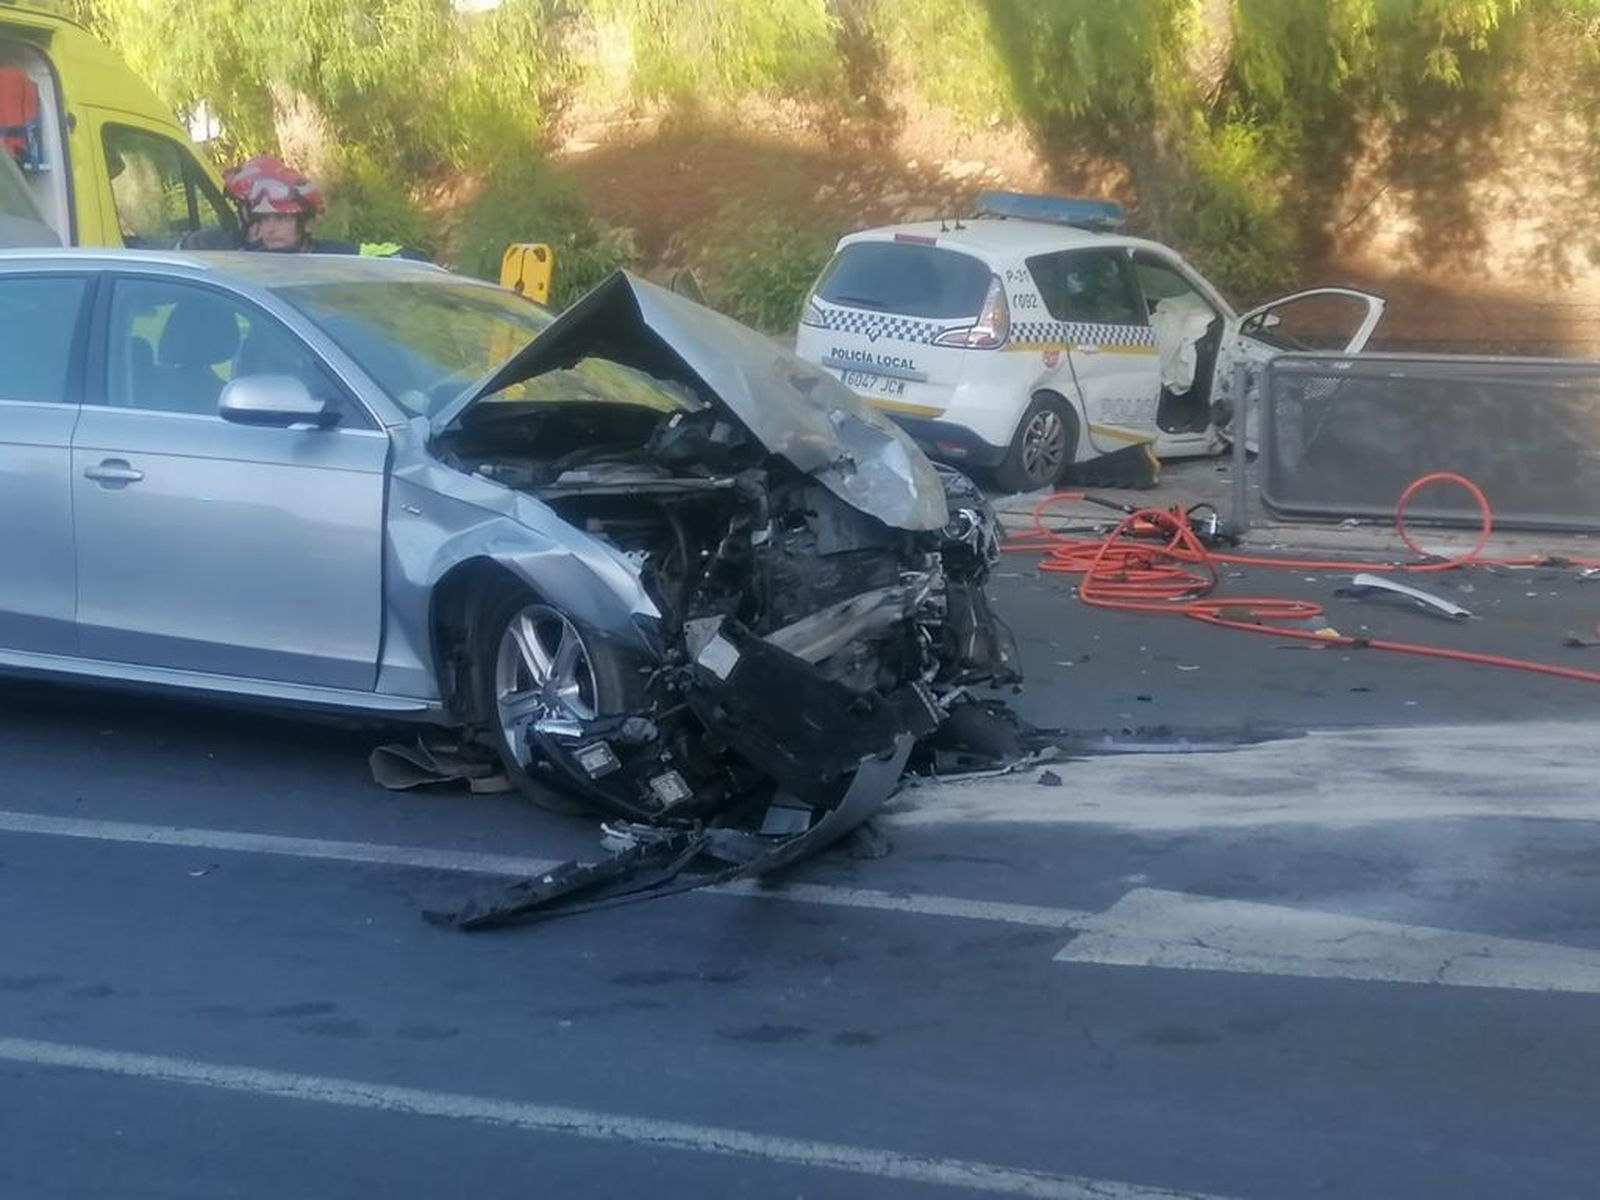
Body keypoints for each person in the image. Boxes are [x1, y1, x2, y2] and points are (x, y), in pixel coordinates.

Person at [216, 154, 426, 258]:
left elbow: (401, 257)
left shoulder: (334, 258)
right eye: (263, 219)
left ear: (308, 223)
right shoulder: (245, 259)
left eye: (280, 218)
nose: (269, 229)